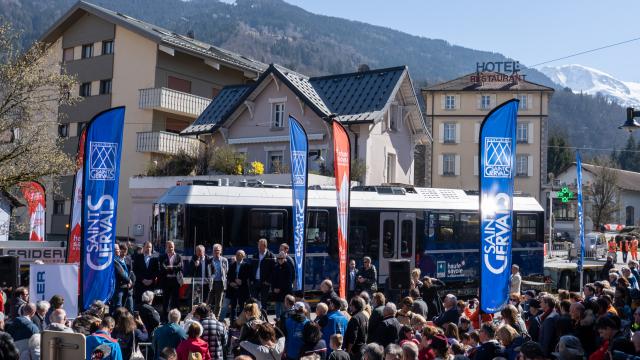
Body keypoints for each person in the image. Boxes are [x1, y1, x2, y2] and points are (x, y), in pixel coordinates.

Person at [159, 241, 183, 319]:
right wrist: (173, 268)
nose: (170, 248)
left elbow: (180, 267)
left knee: (176, 301)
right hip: (166, 281)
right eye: (169, 247)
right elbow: (162, 268)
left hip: (175, 281)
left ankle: (177, 318)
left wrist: (170, 268)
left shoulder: (179, 256)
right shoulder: (162, 256)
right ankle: (165, 318)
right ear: (166, 247)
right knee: (165, 300)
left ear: (174, 247)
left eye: (172, 247)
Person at [227, 249, 250, 322]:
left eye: (239, 255)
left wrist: (242, 282)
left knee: (241, 306)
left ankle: (241, 321)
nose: (237, 256)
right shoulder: (232, 265)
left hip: (242, 289)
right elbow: (229, 276)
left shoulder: (246, 265)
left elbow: (248, 277)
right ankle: (232, 322)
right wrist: (231, 282)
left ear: (243, 256)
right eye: (236, 254)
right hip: (233, 288)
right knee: (233, 306)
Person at [252, 238, 275, 309]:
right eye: (258, 245)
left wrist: (268, 281)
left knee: (263, 301)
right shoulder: (255, 255)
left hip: (265, 282)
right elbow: (252, 268)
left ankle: (263, 318)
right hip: (256, 281)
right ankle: (255, 317)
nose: (258, 247)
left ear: (265, 246)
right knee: (254, 301)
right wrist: (252, 280)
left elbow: (273, 271)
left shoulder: (271, 256)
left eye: (260, 245)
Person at [113, 243, 135, 313]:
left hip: (128, 288)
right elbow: (120, 273)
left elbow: (131, 272)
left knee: (130, 308)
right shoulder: (114, 260)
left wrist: (132, 282)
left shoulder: (128, 259)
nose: (124, 252)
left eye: (126, 251)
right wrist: (129, 281)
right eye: (122, 250)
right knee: (118, 308)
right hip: (119, 288)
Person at [208, 243, 228, 319]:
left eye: (218, 250)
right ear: (212, 251)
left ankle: (216, 317)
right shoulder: (210, 260)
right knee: (209, 301)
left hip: (220, 283)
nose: (216, 252)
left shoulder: (224, 260)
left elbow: (226, 272)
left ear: (221, 251)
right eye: (215, 250)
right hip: (211, 283)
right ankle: (207, 315)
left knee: (218, 303)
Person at [273, 251, 295, 317]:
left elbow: (288, 281)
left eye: (281, 258)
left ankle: (283, 324)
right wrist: (274, 288)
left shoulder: (288, 267)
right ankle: (278, 322)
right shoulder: (276, 267)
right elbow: (273, 279)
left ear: (285, 258)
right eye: (278, 258)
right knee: (277, 310)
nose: (280, 260)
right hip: (277, 293)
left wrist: (279, 288)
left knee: (284, 310)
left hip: (285, 292)